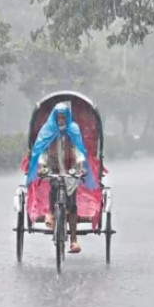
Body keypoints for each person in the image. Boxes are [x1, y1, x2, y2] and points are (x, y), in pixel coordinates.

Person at [25, 102, 96, 254]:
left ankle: (74, 240)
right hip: (54, 168)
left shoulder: (73, 130)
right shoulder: (48, 130)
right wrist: (43, 166)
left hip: (71, 170)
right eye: (59, 117)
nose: (61, 120)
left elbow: (78, 149)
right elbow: (42, 150)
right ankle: (51, 212)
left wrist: (81, 165)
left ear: (67, 117)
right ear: (55, 117)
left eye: (64, 117)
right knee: (54, 186)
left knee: (72, 204)